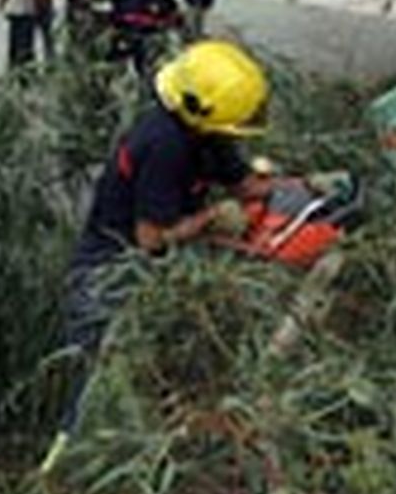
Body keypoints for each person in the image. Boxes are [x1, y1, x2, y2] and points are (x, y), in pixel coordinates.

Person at [49, 41, 274, 469]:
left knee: (162, 375)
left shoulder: (209, 130)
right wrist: (212, 218)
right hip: (109, 276)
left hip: (151, 271)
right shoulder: (163, 144)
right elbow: (152, 238)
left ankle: (160, 450)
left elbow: (246, 184)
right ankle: (63, 469)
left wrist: (307, 185)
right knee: (100, 388)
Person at [110, 0, 181, 78]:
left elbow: (174, 27)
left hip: (155, 51)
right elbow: (115, 25)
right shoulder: (124, 2)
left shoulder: (165, 2)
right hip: (129, 48)